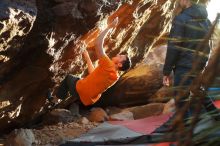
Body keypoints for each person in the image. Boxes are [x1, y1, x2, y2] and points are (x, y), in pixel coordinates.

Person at [48, 18, 131, 106]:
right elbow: (93, 73)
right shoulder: (115, 77)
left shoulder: (108, 65)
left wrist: (109, 27)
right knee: (78, 80)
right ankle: (62, 99)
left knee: (68, 78)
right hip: (87, 99)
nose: (118, 54)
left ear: (119, 64)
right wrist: (87, 57)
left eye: (120, 56)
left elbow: (98, 44)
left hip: (81, 90)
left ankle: (55, 100)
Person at [163, 0, 212, 118]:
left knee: (180, 99)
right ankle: (217, 116)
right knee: (198, 91)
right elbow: (209, 44)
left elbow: (174, 46)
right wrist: (203, 63)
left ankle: (185, 130)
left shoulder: (181, 19)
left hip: (185, 65)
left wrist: (166, 71)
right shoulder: (206, 20)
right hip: (198, 63)